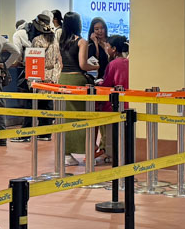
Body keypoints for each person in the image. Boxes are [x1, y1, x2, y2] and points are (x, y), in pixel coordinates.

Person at [56, 11, 89, 163]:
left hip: (63, 79)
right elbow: (83, 64)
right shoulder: (82, 42)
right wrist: (95, 65)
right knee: (81, 115)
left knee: (65, 116)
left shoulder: (61, 41)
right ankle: (84, 149)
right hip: (77, 80)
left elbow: (61, 64)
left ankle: (66, 153)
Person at [96, 36, 130, 163]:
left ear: (114, 49)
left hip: (113, 104)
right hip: (127, 102)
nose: (106, 48)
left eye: (108, 46)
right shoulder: (129, 63)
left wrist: (99, 84)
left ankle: (107, 150)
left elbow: (107, 84)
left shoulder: (113, 64)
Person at [85, 17, 110, 82]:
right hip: (99, 79)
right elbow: (94, 63)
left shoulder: (111, 41)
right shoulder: (91, 46)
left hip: (112, 75)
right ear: (92, 31)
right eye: (97, 29)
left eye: (102, 28)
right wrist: (95, 43)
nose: (100, 31)